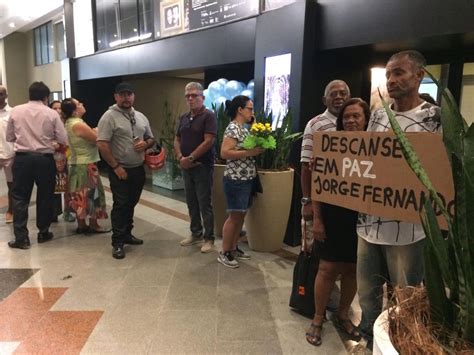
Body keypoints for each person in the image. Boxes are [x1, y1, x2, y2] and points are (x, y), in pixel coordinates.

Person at [356, 50, 441, 347]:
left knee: (404, 300)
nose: (391, 80)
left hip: (408, 230)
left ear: (419, 76)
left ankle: (397, 346)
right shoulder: (379, 115)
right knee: (367, 296)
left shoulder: (434, 118)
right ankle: (368, 345)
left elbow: (441, 173)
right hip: (368, 225)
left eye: (399, 73)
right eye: (389, 74)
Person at [305, 98, 370, 346]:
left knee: (353, 269)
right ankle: (318, 318)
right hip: (332, 217)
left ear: (366, 119)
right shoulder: (329, 146)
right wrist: (318, 219)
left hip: (362, 219)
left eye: (357, 116)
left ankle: (343, 315)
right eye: (347, 117)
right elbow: (318, 186)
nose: (351, 120)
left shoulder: (377, 146)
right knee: (327, 269)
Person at [300, 80, 351, 311]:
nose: (339, 97)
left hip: (352, 206)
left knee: (350, 263)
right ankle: (316, 305)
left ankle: (341, 308)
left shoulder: (359, 123)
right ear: (325, 99)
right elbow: (305, 167)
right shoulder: (316, 124)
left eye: (343, 93)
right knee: (323, 260)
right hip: (325, 205)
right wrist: (308, 201)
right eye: (333, 93)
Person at [97, 82, 155, 259]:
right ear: (116, 97)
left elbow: (151, 138)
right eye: (122, 94)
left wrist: (145, 144)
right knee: (121, 205)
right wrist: (115, 166)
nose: (126, 97)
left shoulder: (140, 116)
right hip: (119, 169)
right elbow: (102, 144)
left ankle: (127, 234)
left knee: (132, 202)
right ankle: (118, 242)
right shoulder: (109, 117)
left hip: (138, 168)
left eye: (129, 94)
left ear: (133, 96)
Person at [6, 81, 68, 249]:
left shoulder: (16, 111)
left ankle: (21, 238)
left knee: (19, 197)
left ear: (30, 94)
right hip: (45, 160)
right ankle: (44, 232)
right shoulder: (52, 114)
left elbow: (10, 137)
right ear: (46, 97)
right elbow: (63, 139)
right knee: (45, 195)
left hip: (22, 159)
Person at [218, 96, 264, 268]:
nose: (252, 112)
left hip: (246, 178)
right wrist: (249, 153)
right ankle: (225, 252)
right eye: (250, 109)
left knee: (240, 216)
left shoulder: (243, 128)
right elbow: (225, 152)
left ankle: (233, 247)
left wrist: (255, 125)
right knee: (234, 216)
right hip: (236, 179)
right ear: (240, 110)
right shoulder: (233, 128)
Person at [174, 82, 217, 253]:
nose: (190, 99)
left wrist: (191, 157)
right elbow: (177, 139)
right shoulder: (184, 117)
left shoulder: (209, 116)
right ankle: (196, 233)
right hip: (186, 166)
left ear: (202, 97)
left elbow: (209, 141)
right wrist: (180, 158)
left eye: (194, 96)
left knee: (204, 203)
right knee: (191, 202)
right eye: (188, 96)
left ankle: (209, 238)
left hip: (202, 167)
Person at [62, 98, 108, 234]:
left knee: (79, 194)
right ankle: (94, 224)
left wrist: (94, 131)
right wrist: (97, 130)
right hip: (86, 164)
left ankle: (81, 224)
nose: (83, 104)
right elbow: (96, 138)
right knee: (91, 194)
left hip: (77, 163)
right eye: (79, 104)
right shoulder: (78, 124)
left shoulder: (70, 123)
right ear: (75, 110)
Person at [0, 86, 14, 224]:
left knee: (11, 185)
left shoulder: (13, 113)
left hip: (10, 154)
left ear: (6, 95)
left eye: (1, 94)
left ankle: (11, 211)